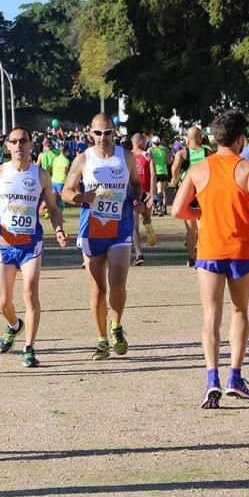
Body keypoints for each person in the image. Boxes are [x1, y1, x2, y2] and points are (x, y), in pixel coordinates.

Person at [172, 110, 249, 409]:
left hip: (209, 249)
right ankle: (235, 376)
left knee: (210, 315)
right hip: (241, 249)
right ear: (240, 139)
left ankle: (211, 379)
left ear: (213, 138)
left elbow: (177, 210)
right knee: (240, 310)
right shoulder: (247, 167)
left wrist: (202, 213)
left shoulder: (199, 169)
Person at [0, 127, 68, 368]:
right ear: (7, 145)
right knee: (3, 302)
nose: (18, 146)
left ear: (30, 145)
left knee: (30, 293)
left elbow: (54, 208)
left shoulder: (42, 175)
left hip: (30, 243)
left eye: (23, 141)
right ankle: (14, 326)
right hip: (4, 243)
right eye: (14, 141)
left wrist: (58, 228)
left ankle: (29, 348)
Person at [64, 114, 146, 359]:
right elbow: (66, 192)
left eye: (107, 132)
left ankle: (116, 326)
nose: (103, 138)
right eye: (98, 133)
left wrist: (138, 200)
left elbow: (136, 184)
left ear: (114, 133)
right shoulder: (83, 159)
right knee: (98, 290)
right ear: (90, 133)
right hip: (92, 229)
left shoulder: (126, 157)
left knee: (118, 283)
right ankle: (101, 340)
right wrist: (81, 198)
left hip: (120, 227)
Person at [172, 126, 211, 267]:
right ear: (200, 137)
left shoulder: (182, 153)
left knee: (190, 228)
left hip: (187, 191)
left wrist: (175, 181)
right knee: (202, 227)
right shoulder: (208, 152)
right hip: (203, 191)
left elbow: (175, 168)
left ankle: (191, 257)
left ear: (187, 139)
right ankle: (202, 255)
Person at [130, 133, 156, 266]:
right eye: (145, 141)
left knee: (134, 225)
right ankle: (149, 230)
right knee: (145, 218)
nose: (146, 143)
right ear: (139, 141)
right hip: (144, 192)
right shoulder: (147, 155)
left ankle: (139, 253)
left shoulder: (128, 156)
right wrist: (152, 193)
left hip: (136, 193)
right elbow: (153, 175)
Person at [149, 136, 170, 215]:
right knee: (162, 191)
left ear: (152, 142)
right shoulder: (164, 150)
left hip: (155, 172)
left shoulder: (150, 150)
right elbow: (169, 161)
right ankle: (163, 208)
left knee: (154, 191)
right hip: (164, 172)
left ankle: (155, 209)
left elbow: (148, 160)